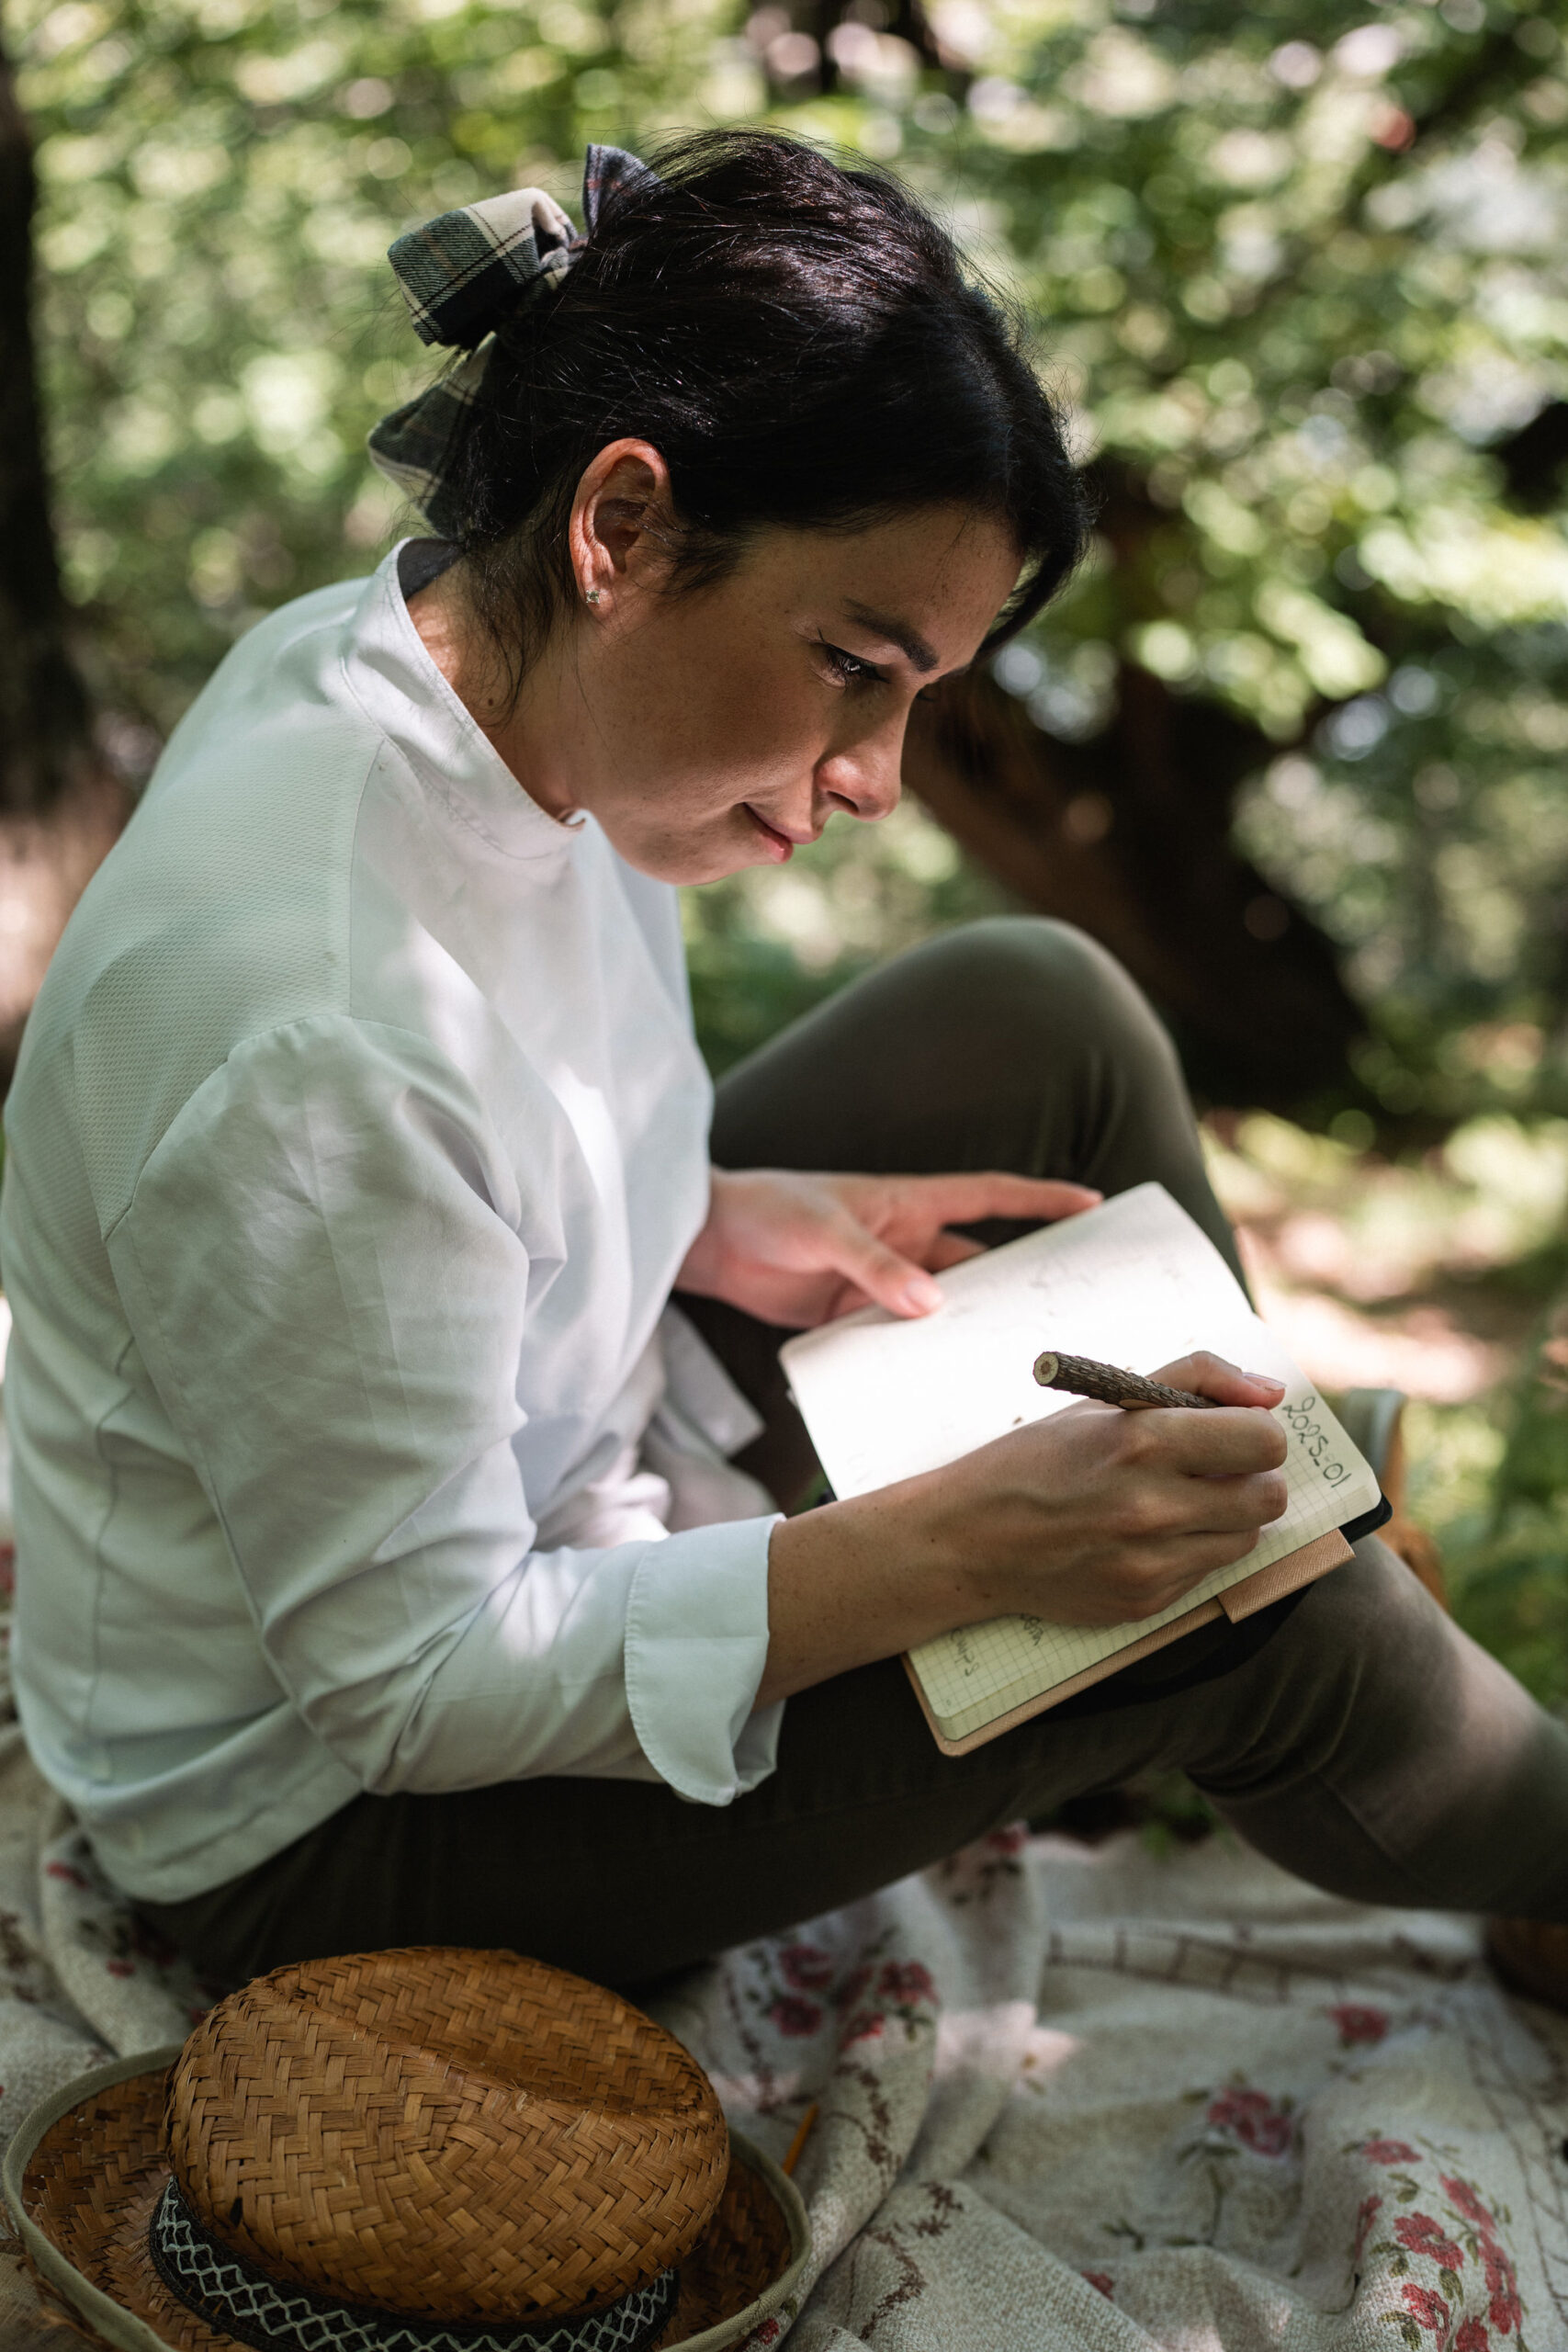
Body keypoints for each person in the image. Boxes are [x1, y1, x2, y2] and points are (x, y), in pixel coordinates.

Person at [5, 130, 1568, 1998]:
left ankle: (1271, 1513)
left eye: (916, 691)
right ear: (622, 528)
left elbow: (490, 1147)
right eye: (850, 662)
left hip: (567, 1450)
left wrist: (701, 1210)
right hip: (333, 1815)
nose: (876, 774)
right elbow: (414, 1678)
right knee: (1230, 1620)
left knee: (1033, 1007)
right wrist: (955, 1546)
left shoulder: (456, 663)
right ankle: (1383, 1711)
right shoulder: (319, 1021)